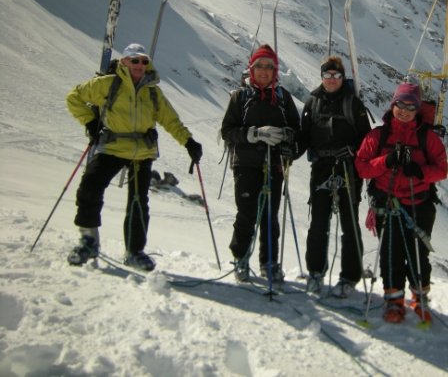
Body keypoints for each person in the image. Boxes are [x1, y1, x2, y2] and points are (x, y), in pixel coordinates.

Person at [66, 43, 203, 271]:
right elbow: (74, 97)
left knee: (138, 202)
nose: (140, 65)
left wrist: (188, 142)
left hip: (142, 152)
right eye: (135, 60)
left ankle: (134, 251)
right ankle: (88, 241)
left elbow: (170, 120)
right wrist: (90, 121)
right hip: (113, 147)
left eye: (144, 61)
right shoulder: (108, 84)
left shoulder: (152, 91)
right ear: (124, 62)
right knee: (90, 187)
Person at [355, 83, 448, 323]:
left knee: (418, 255)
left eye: (410, 106)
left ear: (418, 109)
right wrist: (386, 161)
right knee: (390, 254)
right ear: (393, 104)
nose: (404, 110)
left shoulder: (427, 137)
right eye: (400, 104)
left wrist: (419, 171)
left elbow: (441, 169)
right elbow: (362, 166)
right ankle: (394, 301)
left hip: (419, 205)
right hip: (388, 204)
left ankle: (419, 298)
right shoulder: (379, 135)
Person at [221, 44, 300, 282]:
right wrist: (253, 134)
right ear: (251, 69)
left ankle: (269, 263)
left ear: (275, 70)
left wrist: (287, 139)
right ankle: (241, 259)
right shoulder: (240, 97)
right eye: (259, 66)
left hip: (273, 165)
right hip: (245, 165)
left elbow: (297, 132)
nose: (264, 71)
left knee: (269, 215)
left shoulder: (284, 98)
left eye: (269, 66)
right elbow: (227, 131)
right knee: (246, 214)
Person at [298, 56, 371, 296]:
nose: (331, 80)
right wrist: (290, 150)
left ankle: (349, 277)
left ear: (342, 78)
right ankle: (315, 272)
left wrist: (352, 150)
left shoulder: (354, 104)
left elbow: (367, 140)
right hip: (321, 167)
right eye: (327, 76)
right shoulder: (313, 102)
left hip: (347, 169)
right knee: (319, 222)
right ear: (321, 77)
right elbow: (304, 137)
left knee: (349, 224)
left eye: (336, 76)